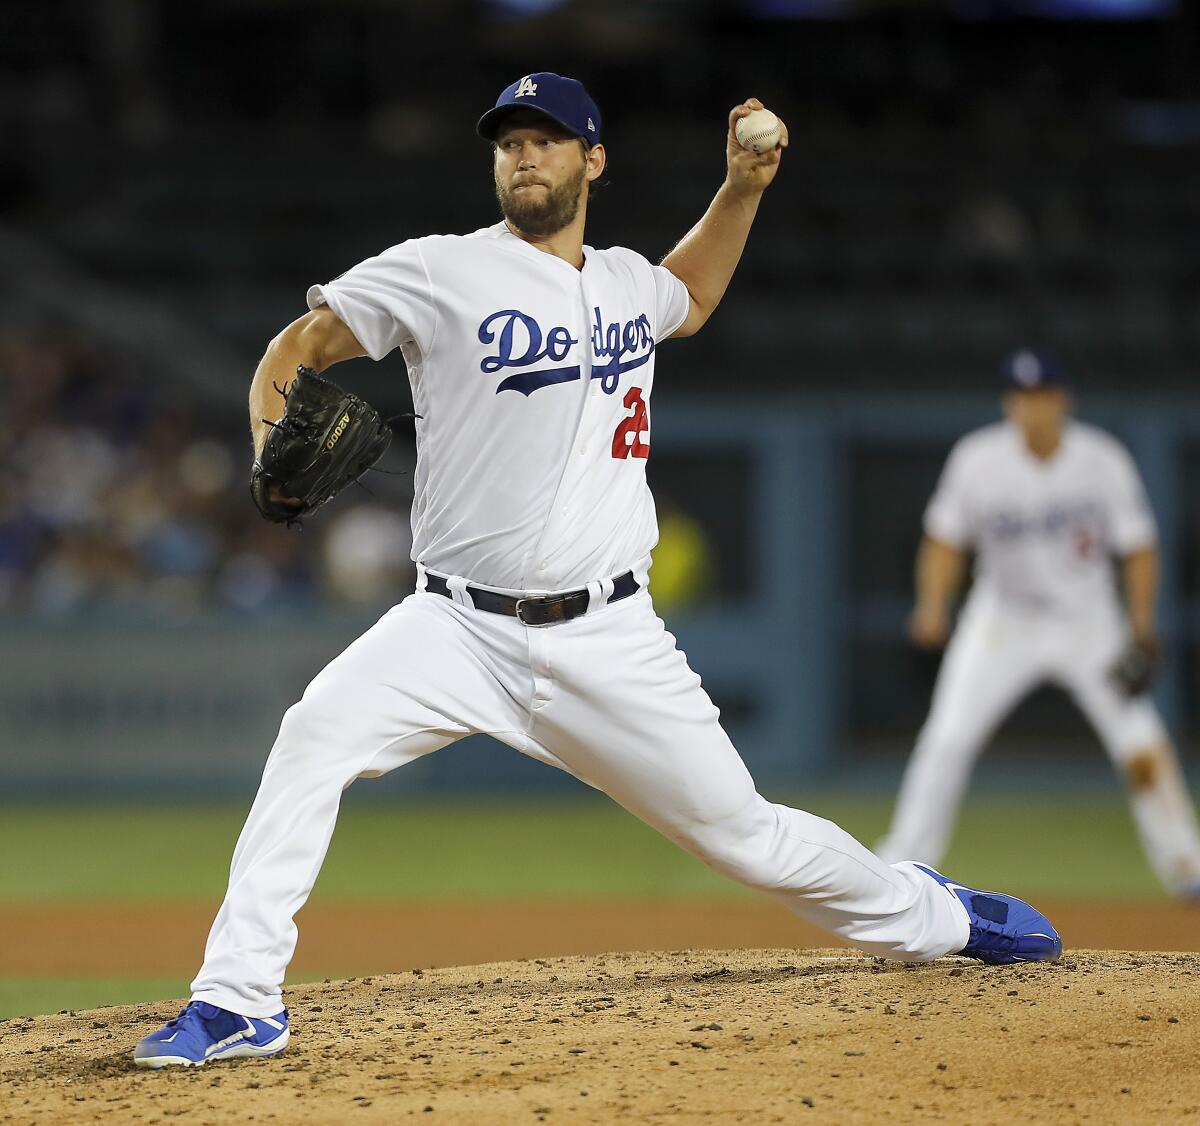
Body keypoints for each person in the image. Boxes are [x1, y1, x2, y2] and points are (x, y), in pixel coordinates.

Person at [133, 74, 1060, 1069]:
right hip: (452, 627)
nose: (524, 154)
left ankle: (936, 913)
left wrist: (744, 184)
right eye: (508, 141)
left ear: (593, 160)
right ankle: (238, 1001)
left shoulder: (626, 283)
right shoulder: (437, 272)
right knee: (313, 733)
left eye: (548, 138)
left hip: (609, 638)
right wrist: (271, 448)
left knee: (742, 835)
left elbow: (693, 293)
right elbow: (298, 345)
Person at [876, 349, 1200, 899]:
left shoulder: (1102, 460)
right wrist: (932, 604)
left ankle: (1187, 865)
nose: (1031, 407)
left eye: (1042, 395)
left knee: (1141, 744)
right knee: (947, 739)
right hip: (1002, 623)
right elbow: (945, 541)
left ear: (1063, 400)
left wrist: (1141, 624)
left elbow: (1139, 547)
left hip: (1089, 625)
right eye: (1021, 396)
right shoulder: (978, 459)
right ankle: (902, 863)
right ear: (1010, 403)